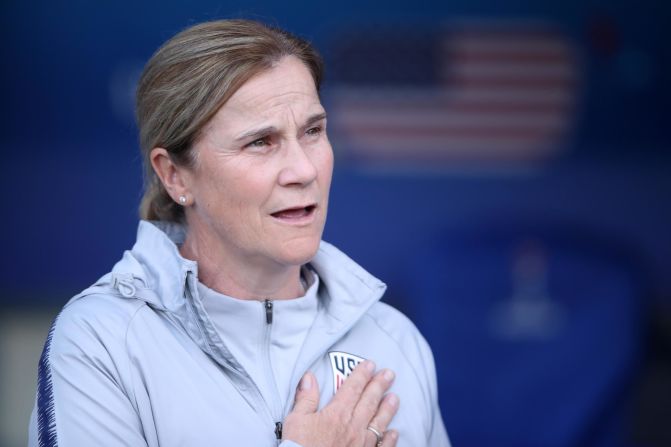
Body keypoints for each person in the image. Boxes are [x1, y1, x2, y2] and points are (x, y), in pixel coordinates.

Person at [28, 19, 450, 447]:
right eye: (261, 142)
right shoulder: (103, 341)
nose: (304, 170)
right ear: (175, 175)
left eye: (313, 131)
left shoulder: (394, 339)